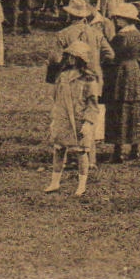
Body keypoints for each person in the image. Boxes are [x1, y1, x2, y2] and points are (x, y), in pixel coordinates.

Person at [44, 39, 101, 196]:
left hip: (79, 119)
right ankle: (55, 182)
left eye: (73, 56)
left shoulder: (89, 80)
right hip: (62, 118)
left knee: (81, 152)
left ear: (80, 59)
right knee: (59, 149)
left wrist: (88, 123)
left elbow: (93, 105)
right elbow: (56, 97)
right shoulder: (62, 76)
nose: (69, 59)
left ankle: (81, 185)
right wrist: (55, 116)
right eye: (68, 56)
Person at [102, 3, 140, 164]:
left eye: (118, 18)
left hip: (121, 73)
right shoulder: (138, 35)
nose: (116, 21)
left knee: (119, 109)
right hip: (135, 72)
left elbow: (111, 56)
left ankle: (118, 151)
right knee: (135, 108)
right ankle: (134, 148)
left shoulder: (120, 37)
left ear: (124, 20)